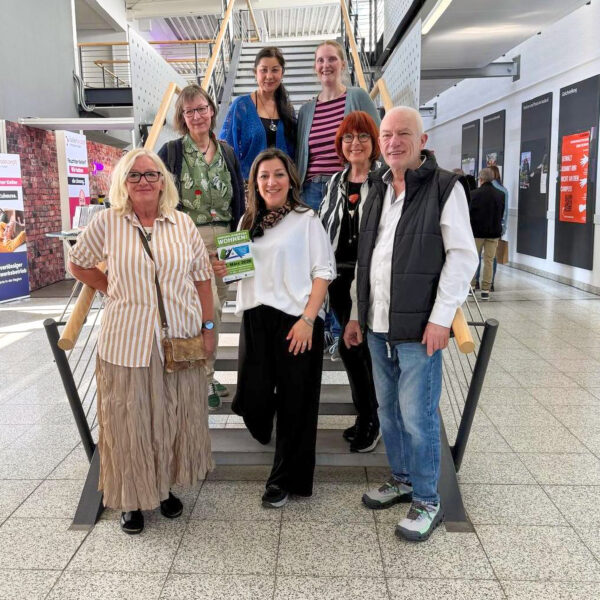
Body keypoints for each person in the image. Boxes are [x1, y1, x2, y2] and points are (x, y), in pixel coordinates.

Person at [344, 107, 478, 542]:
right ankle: (402, 478)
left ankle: (427, 499)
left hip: (420, 328)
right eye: (387, 134)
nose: (393, 141)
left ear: (422, 141)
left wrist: (441, 319)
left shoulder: (444, 187)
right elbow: (367, 259)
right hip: (377, 323)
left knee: (418, 417)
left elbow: (463, 257)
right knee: (388, 410)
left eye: (404, 133)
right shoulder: (377, 189)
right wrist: (356, 314)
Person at [68, 148, 215, 535]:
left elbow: (202, 277)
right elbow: (77, 262)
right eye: (134, 175)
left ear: (163, 181)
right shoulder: (107, 222)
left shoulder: (182, 224)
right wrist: (111, 288)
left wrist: (209, 327)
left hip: (178, 339)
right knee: (129, 421)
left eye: (151, 174)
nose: (144, 181)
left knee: (170, 417)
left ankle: (163, 488)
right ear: (123, 182)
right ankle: (131, 499)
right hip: (127, 340)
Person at [213, 149, 335, 508]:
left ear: (290, 179)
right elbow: (240, 275)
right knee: (252, 398)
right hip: (255, 317)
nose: (271, 182)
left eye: (278, 174)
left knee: (297, 404)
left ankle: (283, 480)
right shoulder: (247, 221)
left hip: (297, 319)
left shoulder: (306, 219)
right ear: (254, 182)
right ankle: (264, 427)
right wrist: (225, 270)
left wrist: (308, 320)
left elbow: (323, 272)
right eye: (264, 175)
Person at [158, 84, 245, 411]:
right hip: (189, 239)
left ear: (211, 110)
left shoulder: (227, 152)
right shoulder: (172, 151)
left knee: (218, 309)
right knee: (202, 309)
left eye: (201, 108)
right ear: (182, 117)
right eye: (189, 111)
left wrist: (240, 242)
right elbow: (163, 200)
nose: (196, 116)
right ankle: (203, 376)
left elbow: (238, 198)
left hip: (227, 238)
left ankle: (206, 371)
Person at [319, 111, 381, 453]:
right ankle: (366, 415)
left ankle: (372, 418)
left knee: (357, 348)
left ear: (374, 142)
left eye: (362, 136)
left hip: (370, 278)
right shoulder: (335, 182)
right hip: (339, 278)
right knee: (352, 347)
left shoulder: (384, 181)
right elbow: (323, 225)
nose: (354, 143)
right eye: (348, 137)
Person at [296, 40, 380, 211]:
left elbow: (379, 139)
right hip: (311, 191)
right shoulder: (306, 110)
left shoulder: (358, 96)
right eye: (320, 60)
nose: (326, 65)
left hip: (348, 184)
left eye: (332, 59)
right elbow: (300, 155)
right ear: (315, 67)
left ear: (342, 64)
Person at [219, 46, 296, 179]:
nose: (269, 76)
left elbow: (293, 152)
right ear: (255, 73)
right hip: (248, 184)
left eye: (275, 70)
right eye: (263, 70)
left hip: (280, 185)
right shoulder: (241, 106)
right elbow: (226, 149)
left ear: (282, 73)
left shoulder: (288, 109)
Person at [469, 167, 505, 300]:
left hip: (477, 233)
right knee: (489, 260)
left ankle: (472, 286)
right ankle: (486, 290)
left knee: (474, 259)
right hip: (494, 233)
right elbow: (501, 213)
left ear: (481, 179)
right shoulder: (500, 194)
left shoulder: (473, 194)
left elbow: (469, 214)